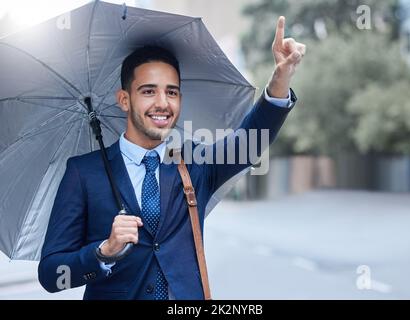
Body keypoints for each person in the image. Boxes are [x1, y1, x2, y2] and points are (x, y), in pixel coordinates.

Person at [38, 16, 306, 300]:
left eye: (172, 92)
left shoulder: (194, 160)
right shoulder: (84, 173)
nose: (163, 103)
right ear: (124, 99)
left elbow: (249, 143)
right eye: (148, 91)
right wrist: (104, 251)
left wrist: (281, 77)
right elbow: (51, 274)